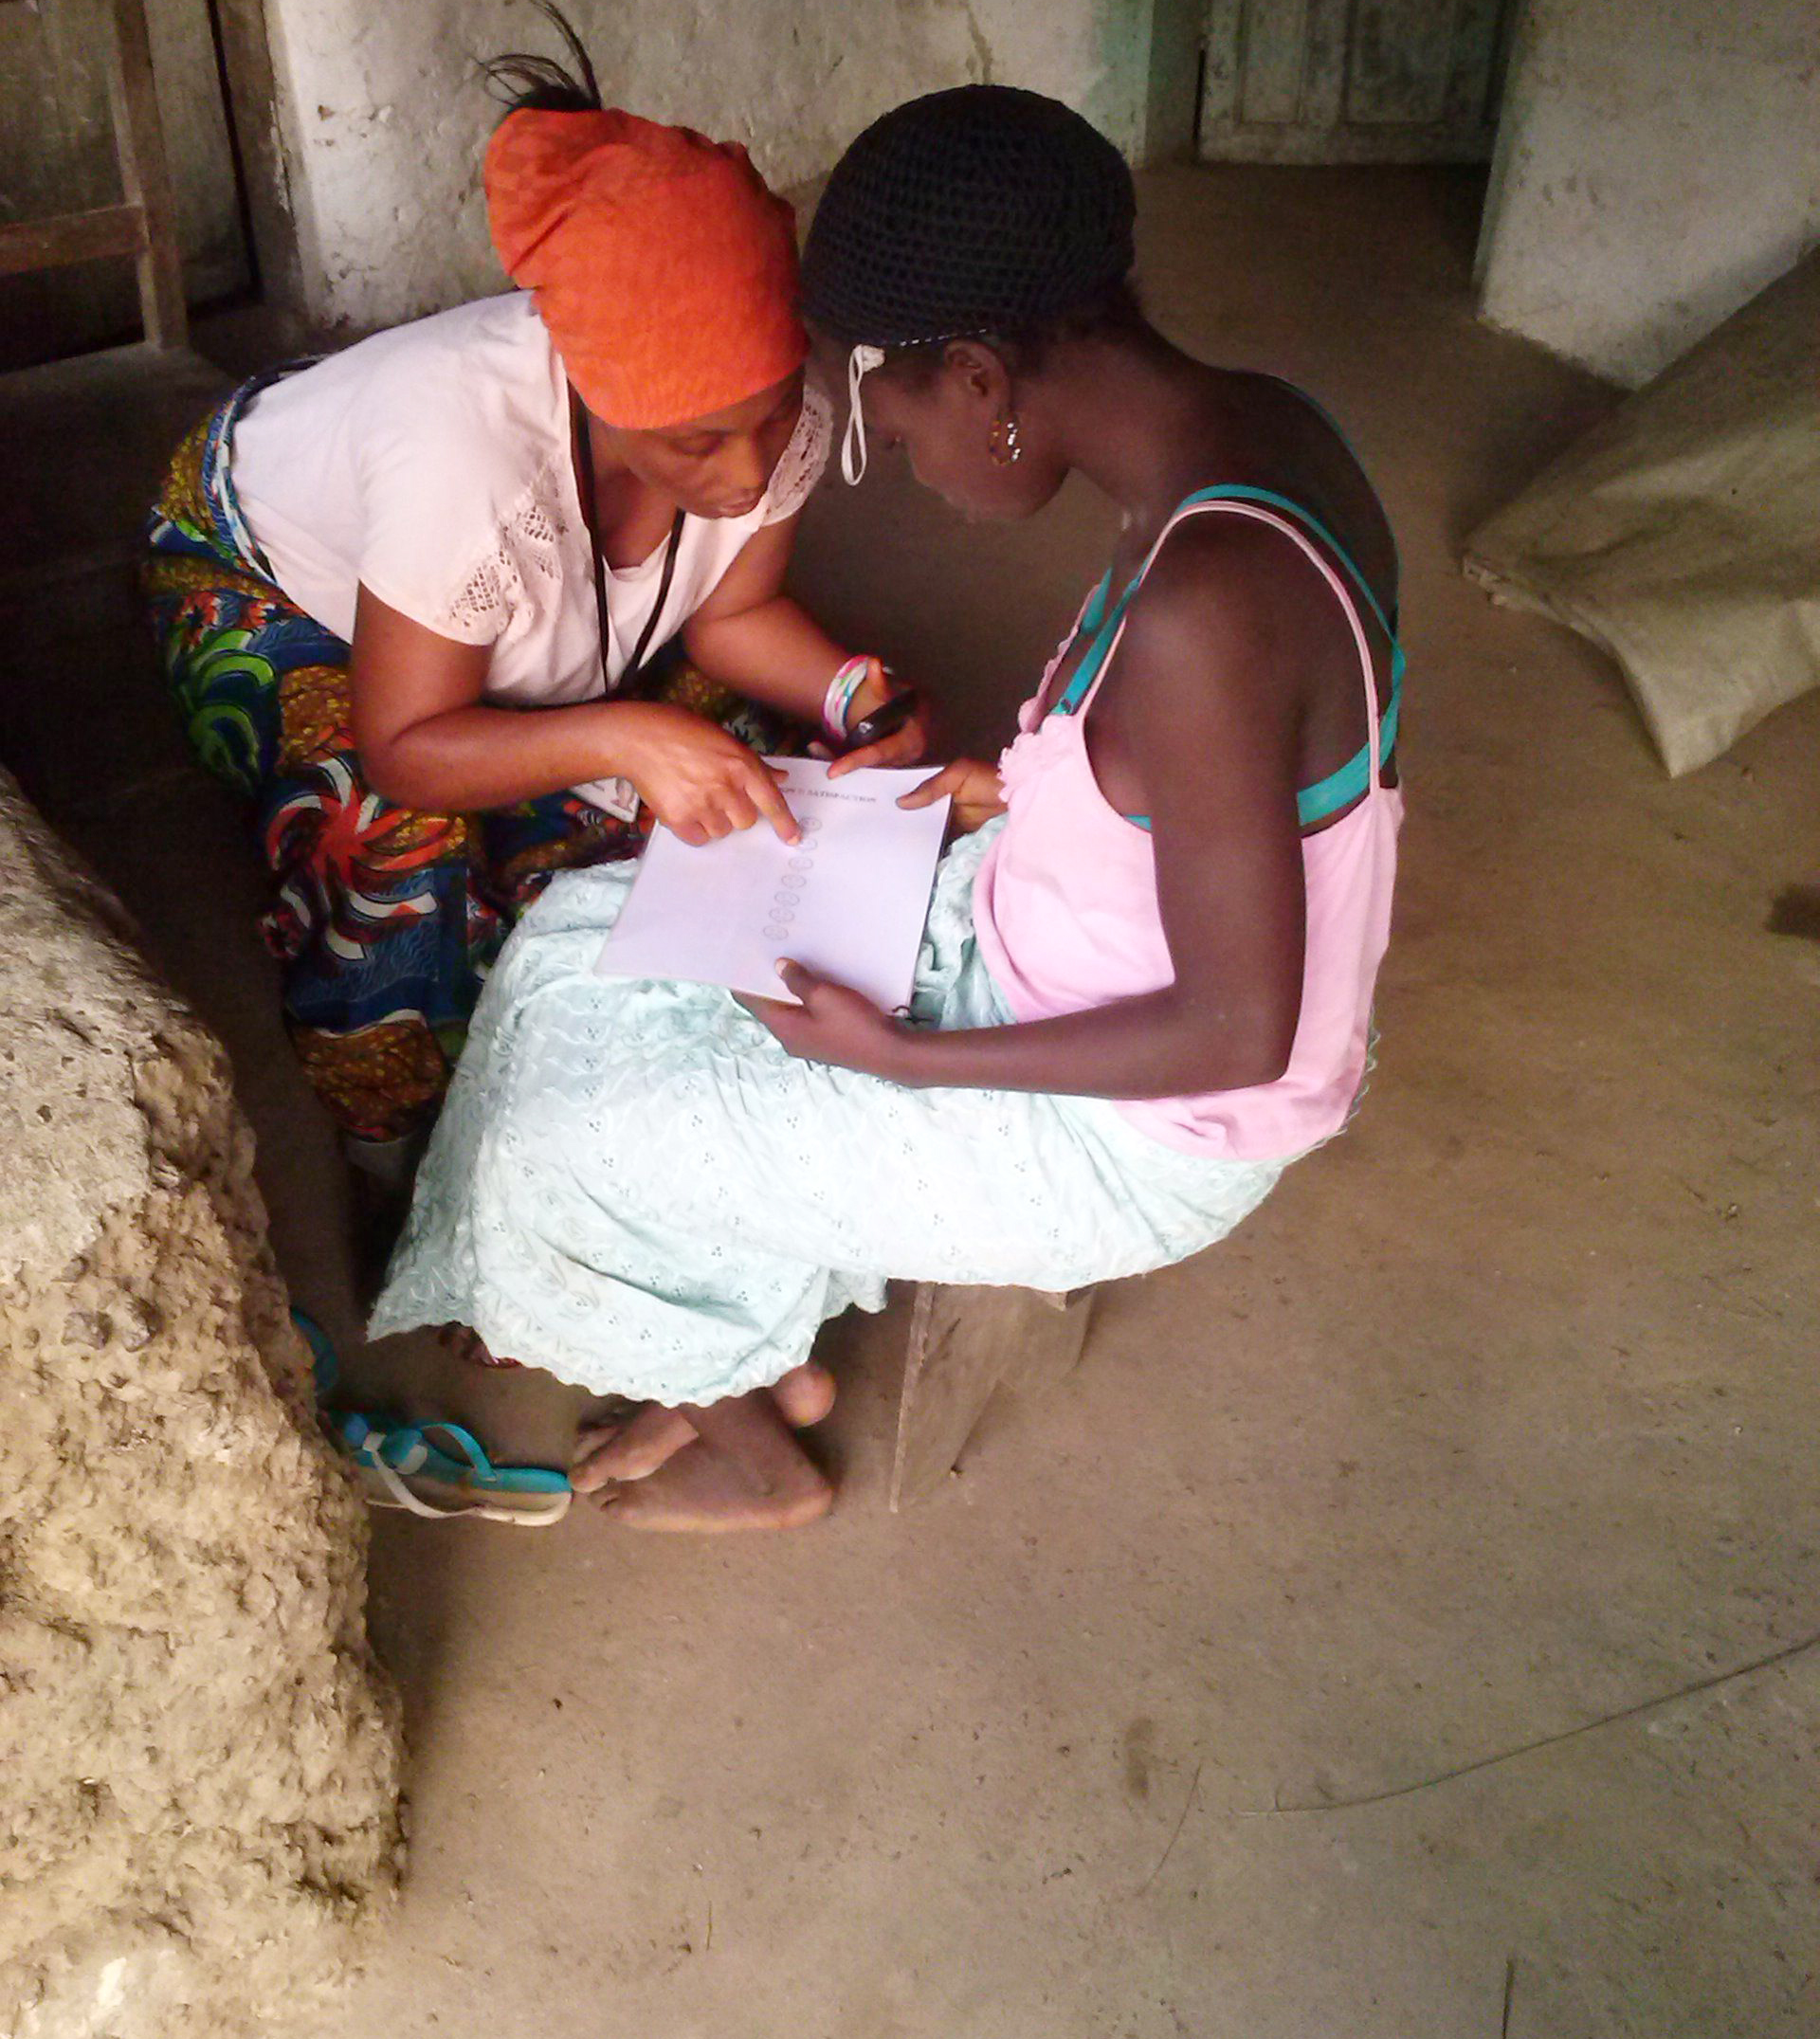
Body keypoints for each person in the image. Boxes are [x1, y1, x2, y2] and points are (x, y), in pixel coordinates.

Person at [370, 83, 1404, 1531]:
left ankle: (759, 1461)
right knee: (582, 929)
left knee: (575, 1141)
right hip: (1050, 954)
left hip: (1137, 1137)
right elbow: (1201, 793)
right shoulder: (1246, 440)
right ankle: (736, 1357)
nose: (901, 460)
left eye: (892, 418)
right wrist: (1000, 804)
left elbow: (1241, 1030)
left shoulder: (1211, 606)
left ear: (981, 379)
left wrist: (897, 1061)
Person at [142, 10, 926, 1215]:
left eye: (770, 422)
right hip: (253, 560)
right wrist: (618, 734)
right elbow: (409, 746)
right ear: (595, 390)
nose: (747, 473)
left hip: (427, 535)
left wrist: (850, 691)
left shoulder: (782, 397)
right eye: (697, 442)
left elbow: (733, 615)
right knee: (388, 834)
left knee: (759, 785)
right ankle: (389, 1160)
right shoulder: (463, 461)